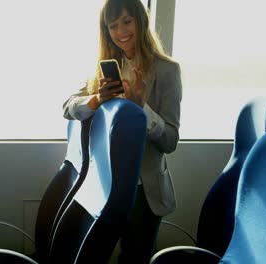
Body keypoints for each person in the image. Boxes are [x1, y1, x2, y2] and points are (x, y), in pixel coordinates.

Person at [62, 0, 182, 263]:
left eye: (127, 21)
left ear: (141, 21)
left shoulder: (167, 71)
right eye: (113, 25)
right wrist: (96, 99)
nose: (121, 32)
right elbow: (67, 107)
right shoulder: (104, 69)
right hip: (107, 183)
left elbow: (170, 141)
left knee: (135, 258)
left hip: (144, 189)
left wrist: (142, 110)